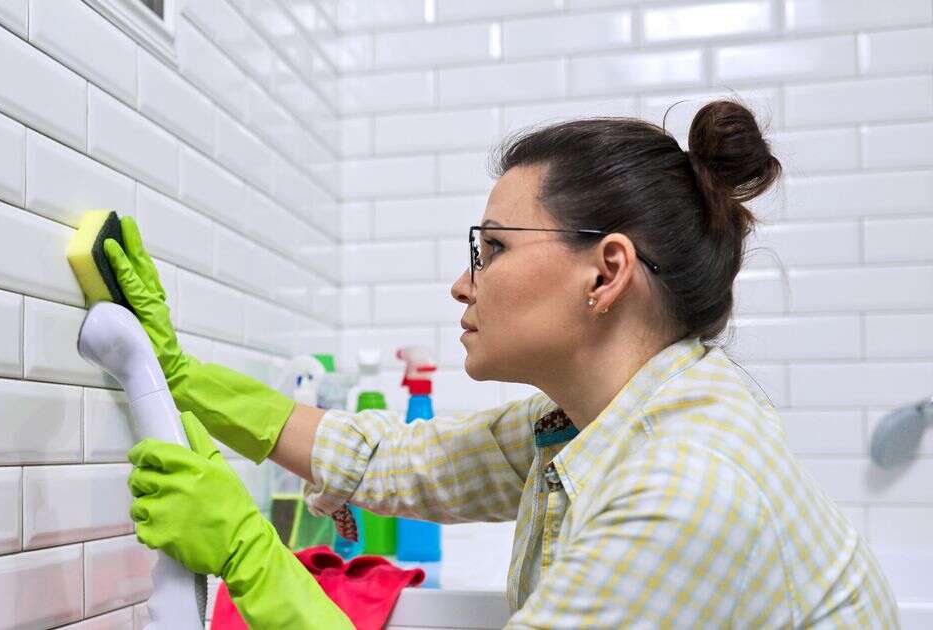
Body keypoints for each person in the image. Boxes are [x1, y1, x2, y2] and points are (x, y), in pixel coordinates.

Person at [113, 100, 900, 628]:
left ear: (606, 272)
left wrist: (248, 552)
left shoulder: (681, 489)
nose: (464, 282)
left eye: (490, 249)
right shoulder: (594, 421)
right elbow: (399, 460)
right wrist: (181, 377)